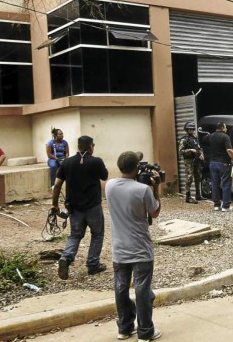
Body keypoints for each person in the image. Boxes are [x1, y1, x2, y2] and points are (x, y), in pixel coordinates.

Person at [105, 151, 162, 341]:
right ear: (136, 168)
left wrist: (135, 161)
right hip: (141, 249)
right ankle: (145, 332)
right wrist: (156, 189)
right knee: (142, 291)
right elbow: (154, 213)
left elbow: (128, 162)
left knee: (121, 289)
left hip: (119, 250)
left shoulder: (110, 186)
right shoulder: (143, 190)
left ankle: (124, 328)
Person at [52, 135, 108, 280]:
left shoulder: (67, 163)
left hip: (74, 208)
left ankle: (66, 257)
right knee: (97, 234)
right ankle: (93, 264)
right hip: (93, 206)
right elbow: (104, 176)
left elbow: (57, 185)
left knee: (75, 235)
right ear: (91, 147)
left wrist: (54, 204)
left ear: (78, 147)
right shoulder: (96, 161)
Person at [203, 122, 233, 212]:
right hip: (223, 163)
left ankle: (216, 205)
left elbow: (203, 140)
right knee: (226, 184)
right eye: (226, 127)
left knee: (215, 184)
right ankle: (225, 206)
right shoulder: (225, 137)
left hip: (212, 163)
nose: (226, 129)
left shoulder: (210, 136)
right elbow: (229, 150)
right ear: (222, 127)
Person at [178, 122, 205, 204]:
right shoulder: (184, 139)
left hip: (197, 159)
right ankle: (188, 196)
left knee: (198, 176)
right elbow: (180, 151)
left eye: (193, 129)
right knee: (189, 177)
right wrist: (190, 150)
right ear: (186, 129)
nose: (192, 130)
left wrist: (201, 154)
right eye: (190, 129)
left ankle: (198, 195)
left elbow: (199, 147)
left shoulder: (195, 138)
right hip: (189, 160)